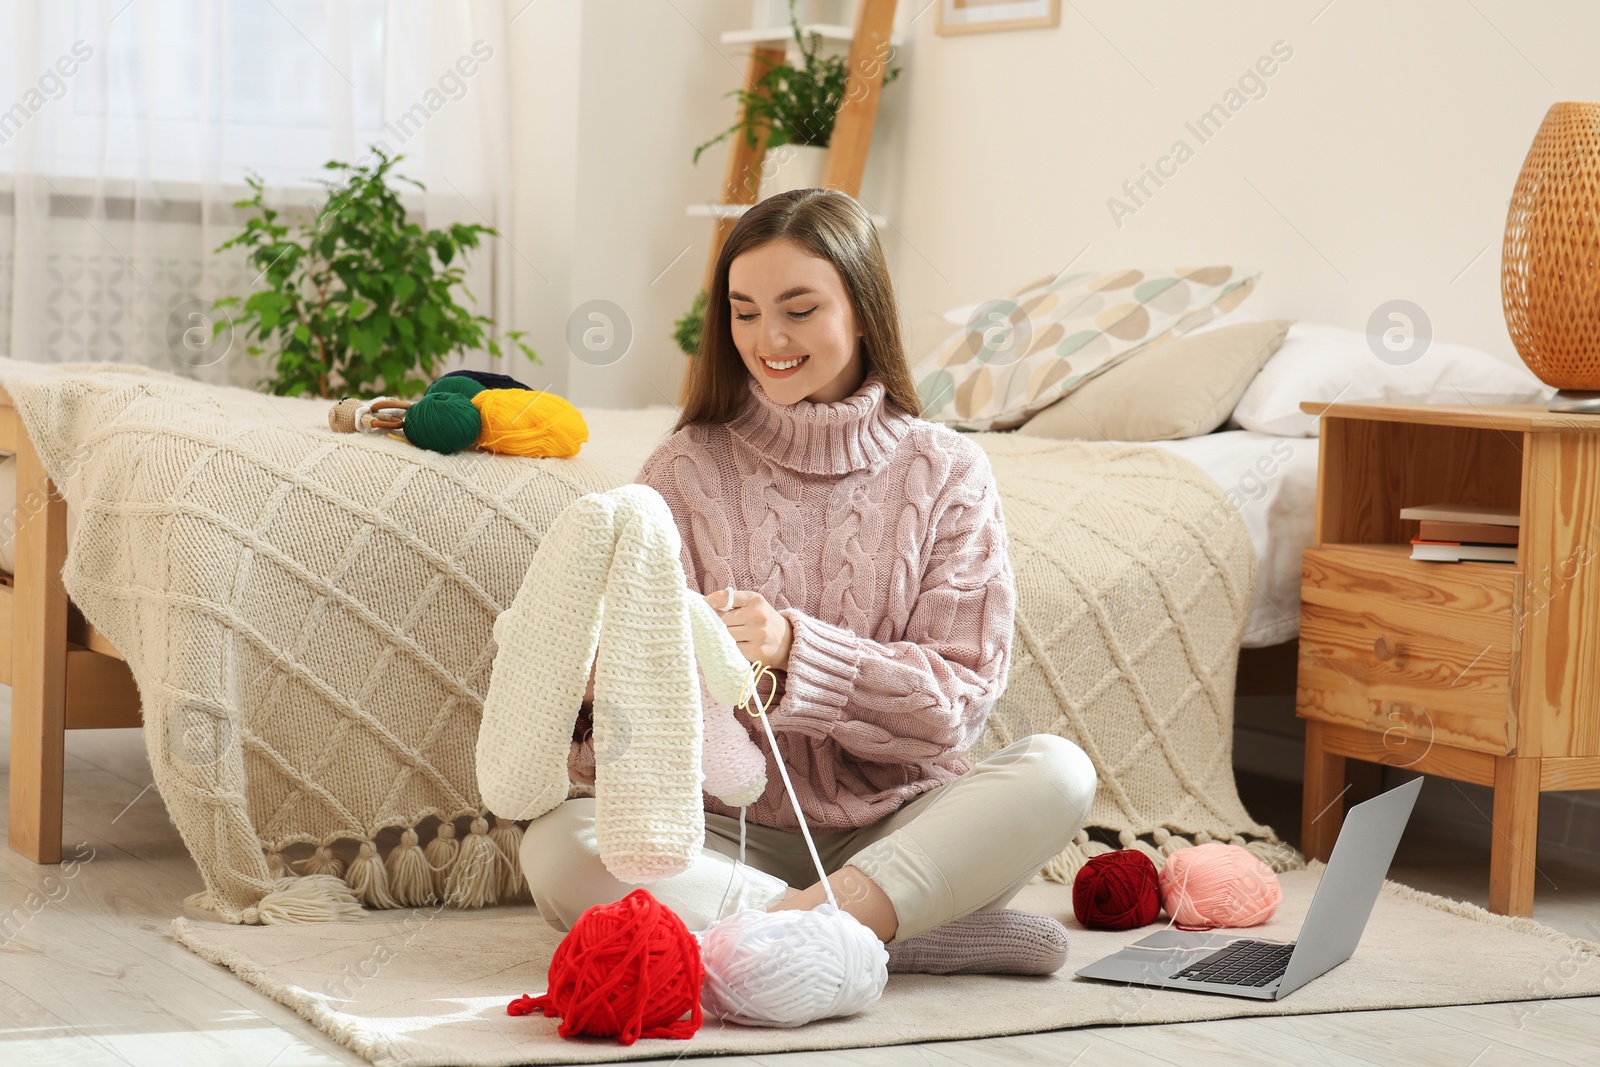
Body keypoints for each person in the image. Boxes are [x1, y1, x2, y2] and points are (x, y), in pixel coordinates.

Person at [518, 188, 1097, 976]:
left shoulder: (947, 470)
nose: (769, 338)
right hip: (726, 830)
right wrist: (597, 688)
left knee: (1057, 771)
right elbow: (625, 726)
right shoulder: (686, 467)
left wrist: (800, 650)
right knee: (557, 848)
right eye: (745, 311)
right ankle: (907, 937)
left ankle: (788, 927)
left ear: (862, 310)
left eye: (799, 308)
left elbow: (953, 709)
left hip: (897, 824)